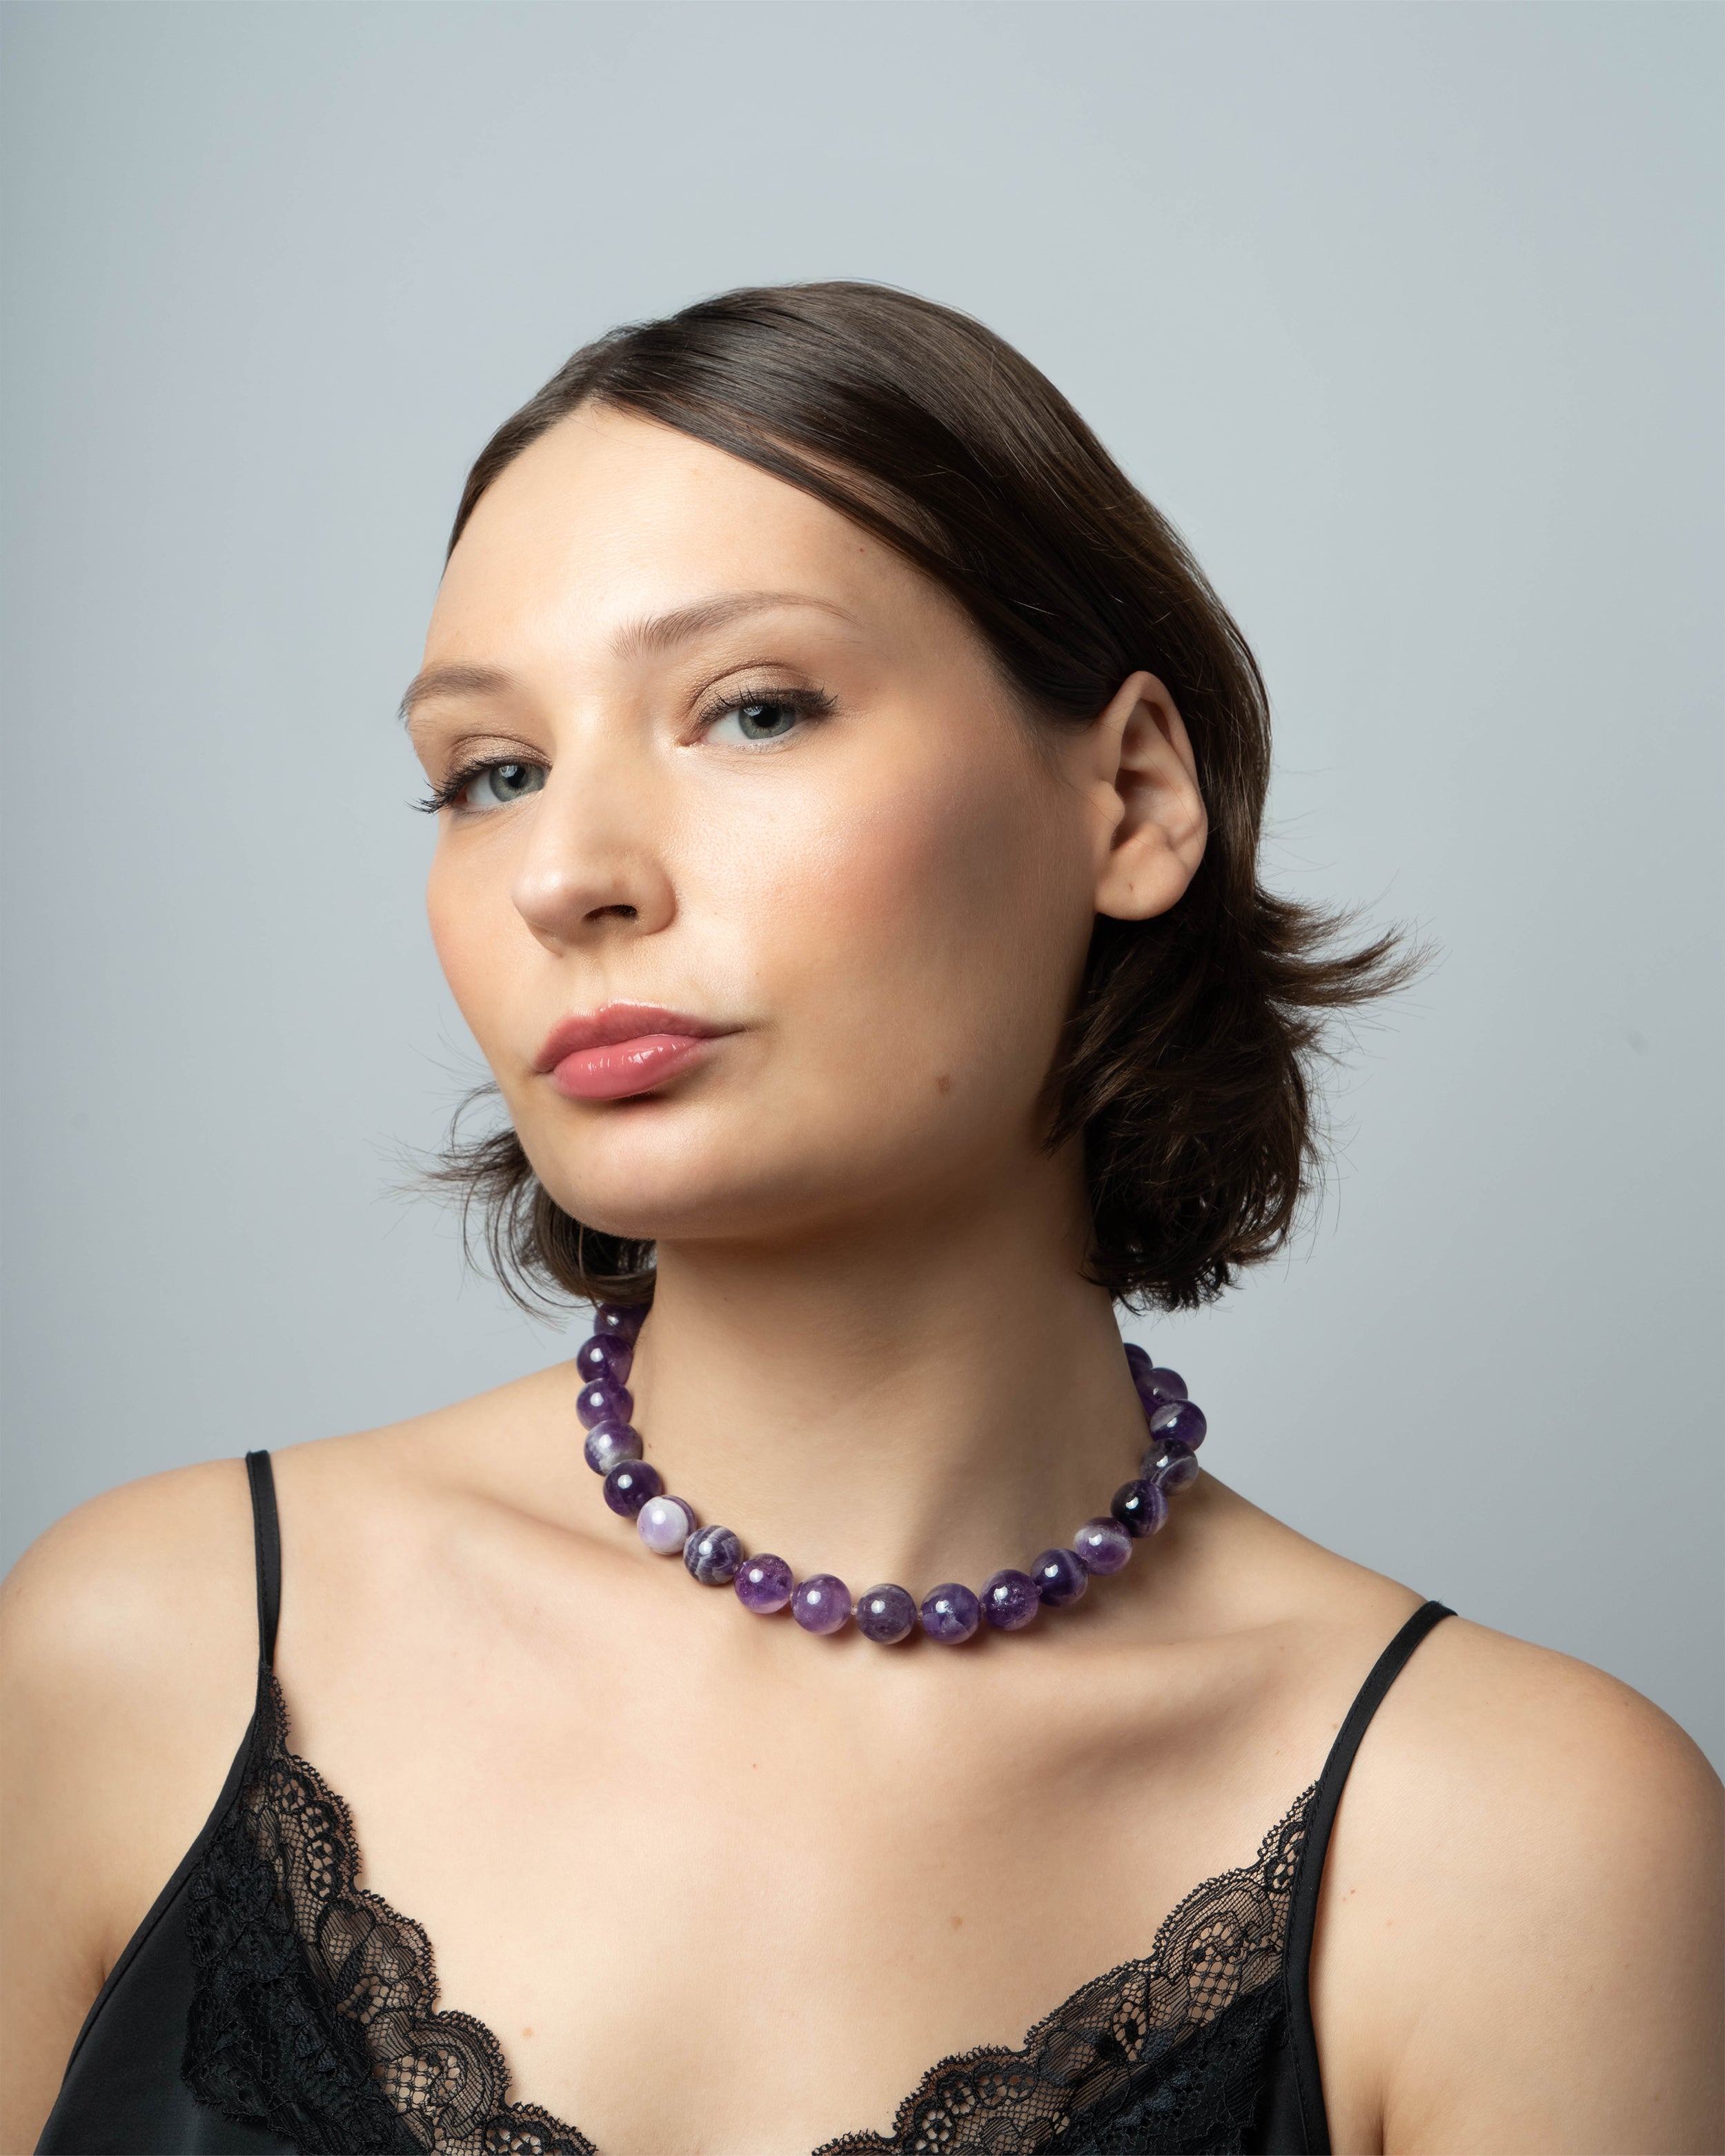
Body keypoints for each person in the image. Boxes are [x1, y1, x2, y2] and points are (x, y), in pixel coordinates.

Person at [3, 283, 1719, 2156]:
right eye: (491, 772)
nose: (567, 874)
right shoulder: (143, 1653)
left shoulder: (1512, 1846)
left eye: (751, 710)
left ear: (1132, 796)